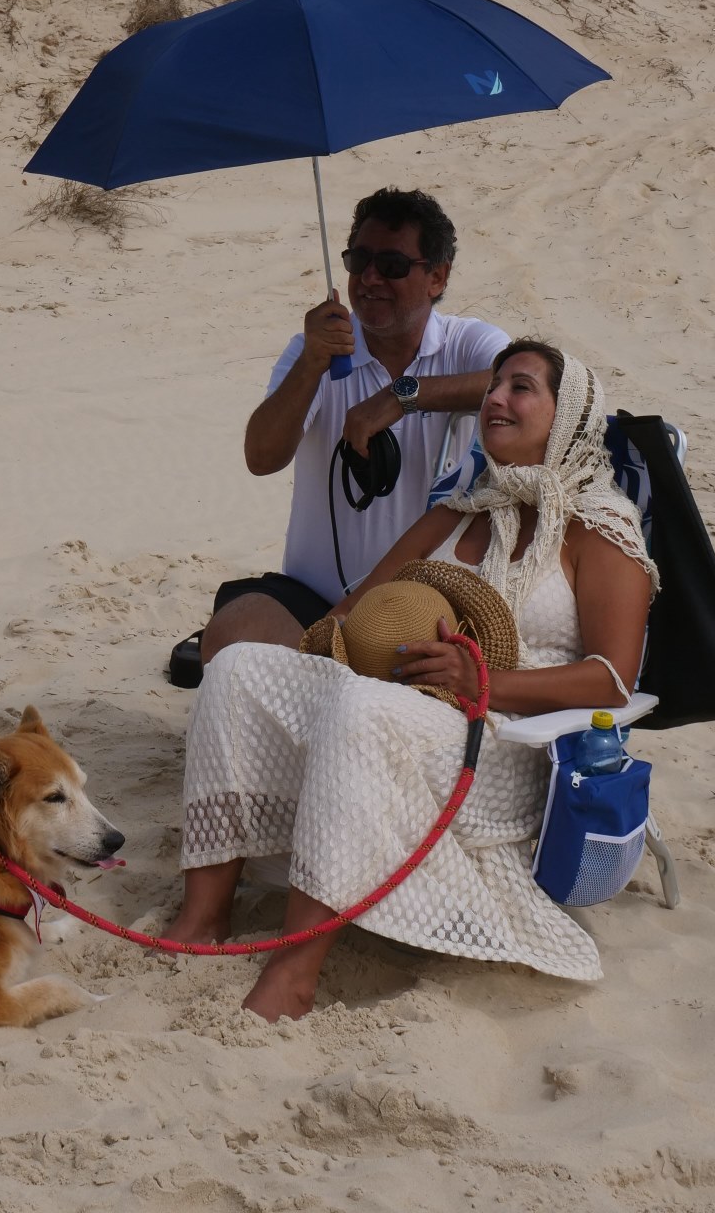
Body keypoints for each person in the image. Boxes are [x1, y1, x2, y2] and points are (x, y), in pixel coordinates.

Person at [171, 341, 658, 1021]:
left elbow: (611, 681)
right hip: (395, 703)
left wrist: (481, 681)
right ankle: (203, 918)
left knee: (361, 709)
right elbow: (356, 608)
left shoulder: (597, 528)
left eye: (521, 387)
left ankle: (294, 972)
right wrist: (328, 649)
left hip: (505, 739)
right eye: (493, 385)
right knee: (237, 669)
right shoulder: (459, 509)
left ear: (568, 413)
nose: (496, 399)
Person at [200, 188, 509, 664]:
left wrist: (402, 396)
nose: (369, 278)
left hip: (423, 606)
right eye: (359, 260)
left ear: (437, 277)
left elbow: (530, 386)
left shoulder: (466, 343)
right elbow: (261, 458)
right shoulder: (314, 354)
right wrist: (312, 364)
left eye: (392, 265)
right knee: (230, 637)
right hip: (315, 603)